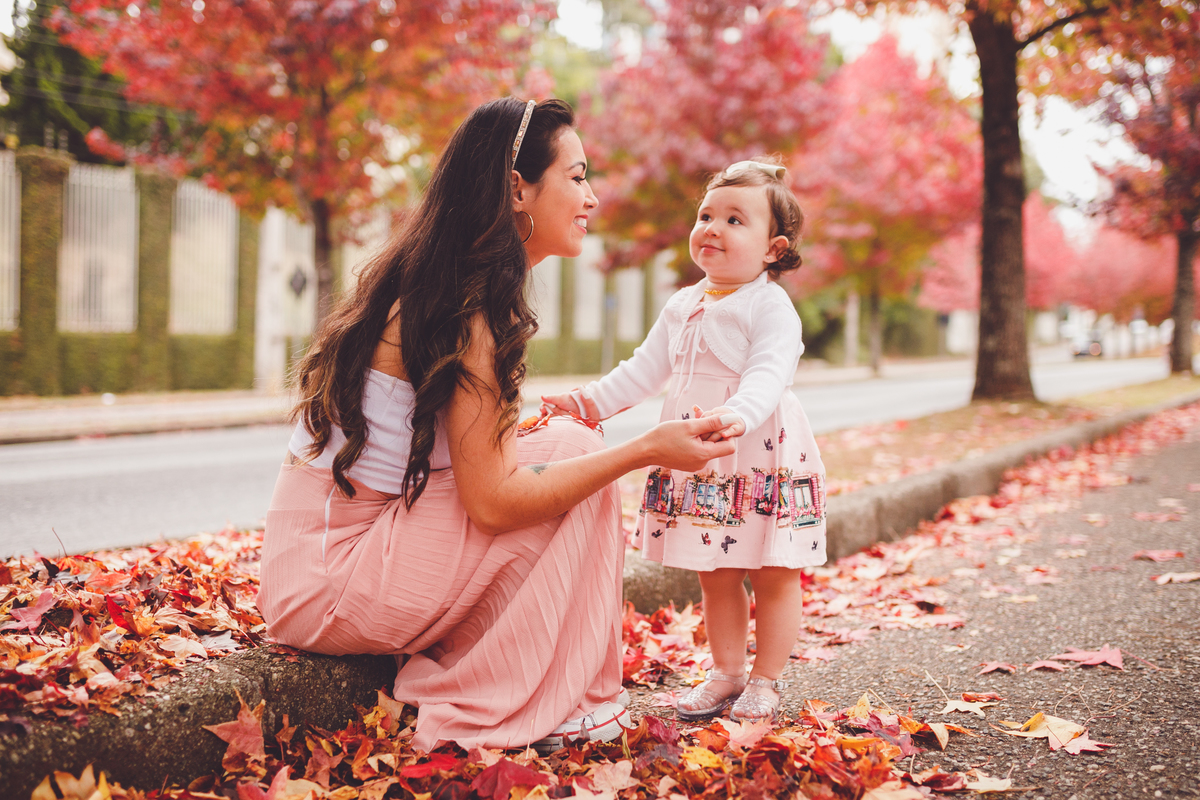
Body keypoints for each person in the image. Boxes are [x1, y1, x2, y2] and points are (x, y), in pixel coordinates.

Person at [256, 97, 736, 754]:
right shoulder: (465, 312)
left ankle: (559, 690)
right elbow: (494, 503)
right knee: (583, 464)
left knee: (570, 443)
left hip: (326, 562)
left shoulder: (458, 290)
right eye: (576, 176)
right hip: (326, 582)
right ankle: (510, 699)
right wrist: (646, 450)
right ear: (517, 189)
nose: (592, 197)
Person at [541, 158, 825, 725]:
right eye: (706, 215)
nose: (713, 228)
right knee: (714, 572)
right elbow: (644, 370)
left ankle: (766, 680)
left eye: (735, 220)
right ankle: (726, 673)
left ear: (774, 248)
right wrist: (591, 402)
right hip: (702, 460)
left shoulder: (768, 304)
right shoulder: (684, 302)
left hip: (759, 452)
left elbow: (769, 374)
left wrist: (739, 415)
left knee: (773, 571)